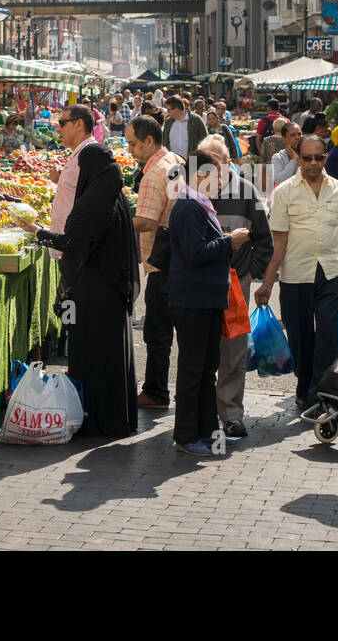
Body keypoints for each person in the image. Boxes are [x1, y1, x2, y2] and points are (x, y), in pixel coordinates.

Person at [17, 144, 139, 439]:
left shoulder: (94, 202)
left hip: (94, 293)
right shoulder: (114, 195)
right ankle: (113, 418)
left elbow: (73, 244)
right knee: (110, 358)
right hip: (110, 291)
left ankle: (95, 419)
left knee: (92, 355)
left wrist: (37, 232)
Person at [257, 134, 338, 409]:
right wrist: (267, 284)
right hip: (295, 274)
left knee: (327, 333)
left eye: (319, 157)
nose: (313, 163)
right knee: (301, 337)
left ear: (326, 156)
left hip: (330, 270)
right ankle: (305, 386)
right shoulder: (285, 191)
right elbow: (279, 242)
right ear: (297, 157)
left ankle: (318, 393)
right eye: (307, 157)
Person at [169, 149, 250, 456]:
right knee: (193, 370)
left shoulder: (200, 205)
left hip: (206, 299)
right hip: (193, 301)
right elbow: (195, 252)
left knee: (206, 370)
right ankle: (186, 434)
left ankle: (207, 431)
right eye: (218, 177)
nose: (221, 183)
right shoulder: (189, 206)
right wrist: (230, 241)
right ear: (200, 176)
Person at [198, 135, 273, 439]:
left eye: (216, 161)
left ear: (228, 162)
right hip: (201, 280)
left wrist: (249, 271)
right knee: (201, 348)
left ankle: (230, 414)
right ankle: (202, 412)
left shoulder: (246, 191)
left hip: (234, 282)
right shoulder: (193, 192)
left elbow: (264, 241)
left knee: (233, 350)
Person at [126, 116, 186, 408]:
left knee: (157, 333)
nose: (129, 150)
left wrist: (116, 223)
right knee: (179, 334)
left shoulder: (153, 175)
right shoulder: (173, 160)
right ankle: (178, 392)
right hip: (179, 257)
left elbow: (146, 222)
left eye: (133, 144)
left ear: (149, 140)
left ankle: (156, 391)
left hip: (162, 262)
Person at [47, 104, 100, 260]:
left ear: (78, 124)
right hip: (68, 244)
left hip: (74, 246)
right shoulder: (80, 152)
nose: (58, 129)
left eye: (62, 123)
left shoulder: (90, 154)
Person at [269, 120, 303, 186]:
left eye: (299, 134)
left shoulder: (310, 154)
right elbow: (279, 181)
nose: (297, 137)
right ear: (284, 139)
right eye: (293, 135)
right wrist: (294, 160)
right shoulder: (278, 157)